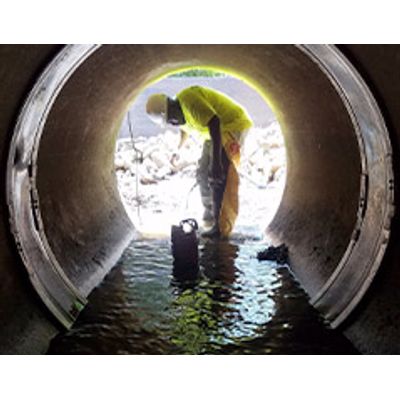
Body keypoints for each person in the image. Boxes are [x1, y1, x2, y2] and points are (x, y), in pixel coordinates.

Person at [146, 86, 253, 238]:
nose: (173, 123)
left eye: (172, 119)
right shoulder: (179, 113)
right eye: (169, 122)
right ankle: (210, 215)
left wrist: (216, 163)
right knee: (203, 173)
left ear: (172, 105)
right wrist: (178, 149)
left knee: (218, 176)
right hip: (214, 133)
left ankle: (221, 225)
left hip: (232, 124)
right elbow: (185, 128)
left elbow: (214, 122)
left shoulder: (190, 101)